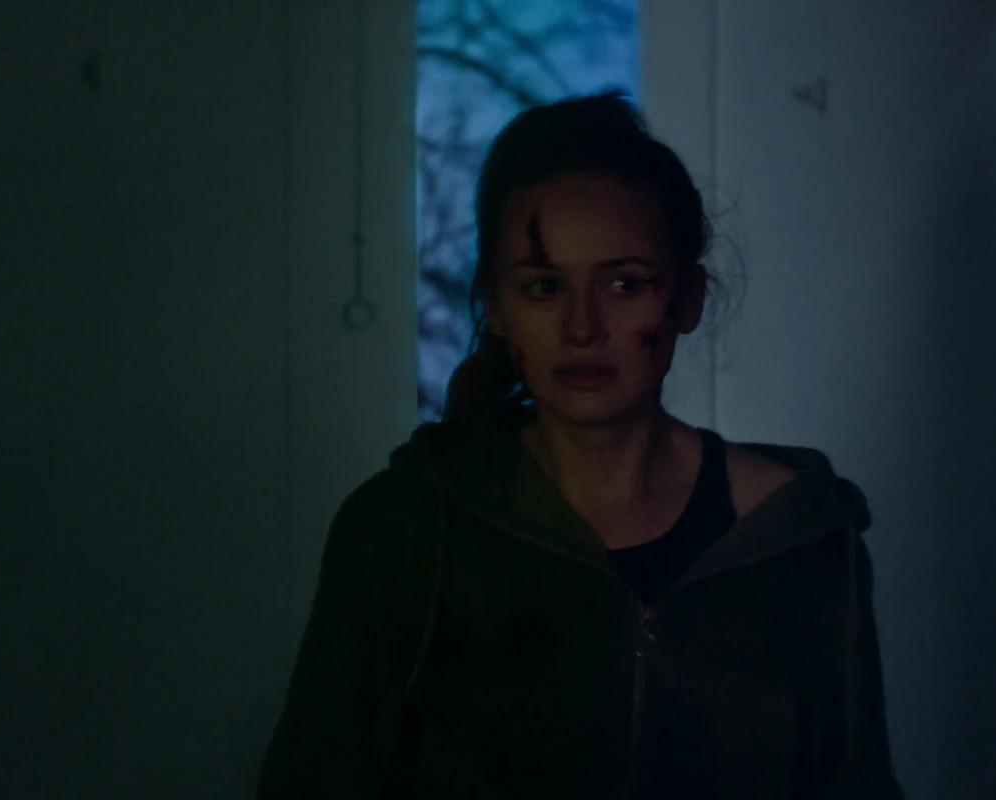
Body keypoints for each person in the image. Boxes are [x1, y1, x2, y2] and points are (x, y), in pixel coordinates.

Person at [257, 90, 904, 799]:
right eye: (543, 287)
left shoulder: (803, 542)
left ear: (688, 298)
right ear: (495, 306)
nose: (582, 327)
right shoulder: (404, 531)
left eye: (624, 284)